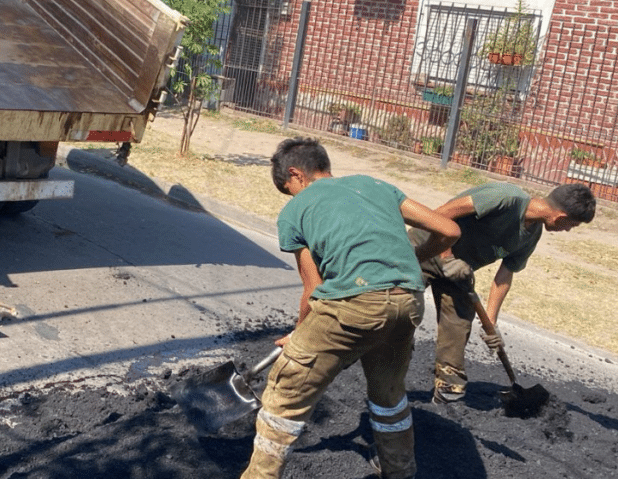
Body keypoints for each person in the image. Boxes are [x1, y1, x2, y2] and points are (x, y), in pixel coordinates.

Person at [241, 137, 460, 479]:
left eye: (289, 189)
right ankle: (400, 473)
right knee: (388, 396)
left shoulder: (295, 211)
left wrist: (299, 335)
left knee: (286, 391)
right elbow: (449, 229)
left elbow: (313, 289)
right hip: (408, 301)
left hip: (354, 304)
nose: (292, 197)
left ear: (296, 175)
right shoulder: (374, 185)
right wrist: (414, 258)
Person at [409, 181, 595, 404]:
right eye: (571, 226)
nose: (567, 230)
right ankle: (387, 368)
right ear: (561, 217)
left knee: (458, 324)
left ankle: (448, 386)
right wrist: (446, 257)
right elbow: (443, 212)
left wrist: (491, 323)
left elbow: (505, 275)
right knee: (404, 311)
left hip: (459, 272)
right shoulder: (505, 198)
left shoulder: (531, 235)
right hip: (425, 248)